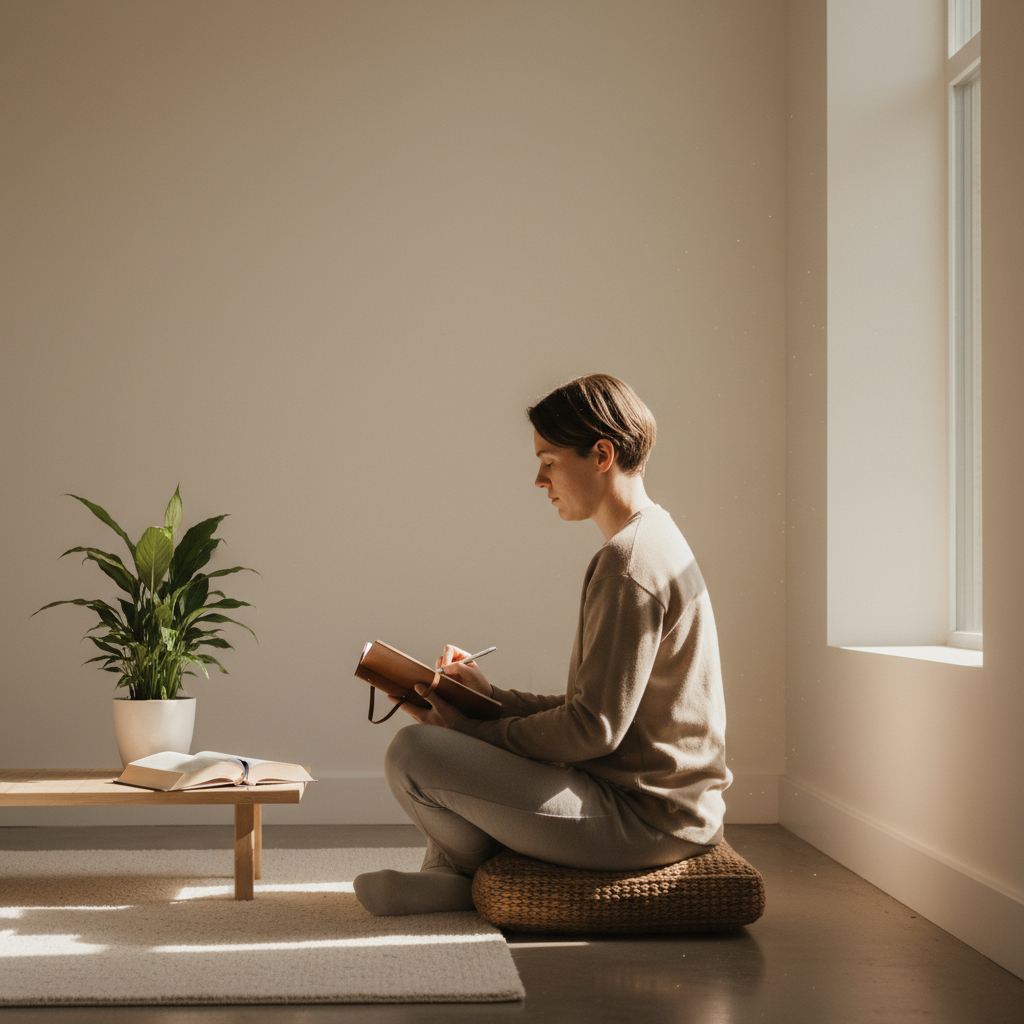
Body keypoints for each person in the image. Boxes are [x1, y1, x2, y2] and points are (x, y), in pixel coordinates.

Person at [353, 373, 731, 916]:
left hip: (647, 821)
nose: (538, 478)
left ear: (601, 454)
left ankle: (462, 876)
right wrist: (491, 700)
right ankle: (459, 874)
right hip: (653, 803)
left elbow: (591, 731)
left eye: (549, 460)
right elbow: (598, 712)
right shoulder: (651, 540)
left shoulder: (629, 564)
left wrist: (473, 731)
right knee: (454, 744)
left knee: (413, 754)